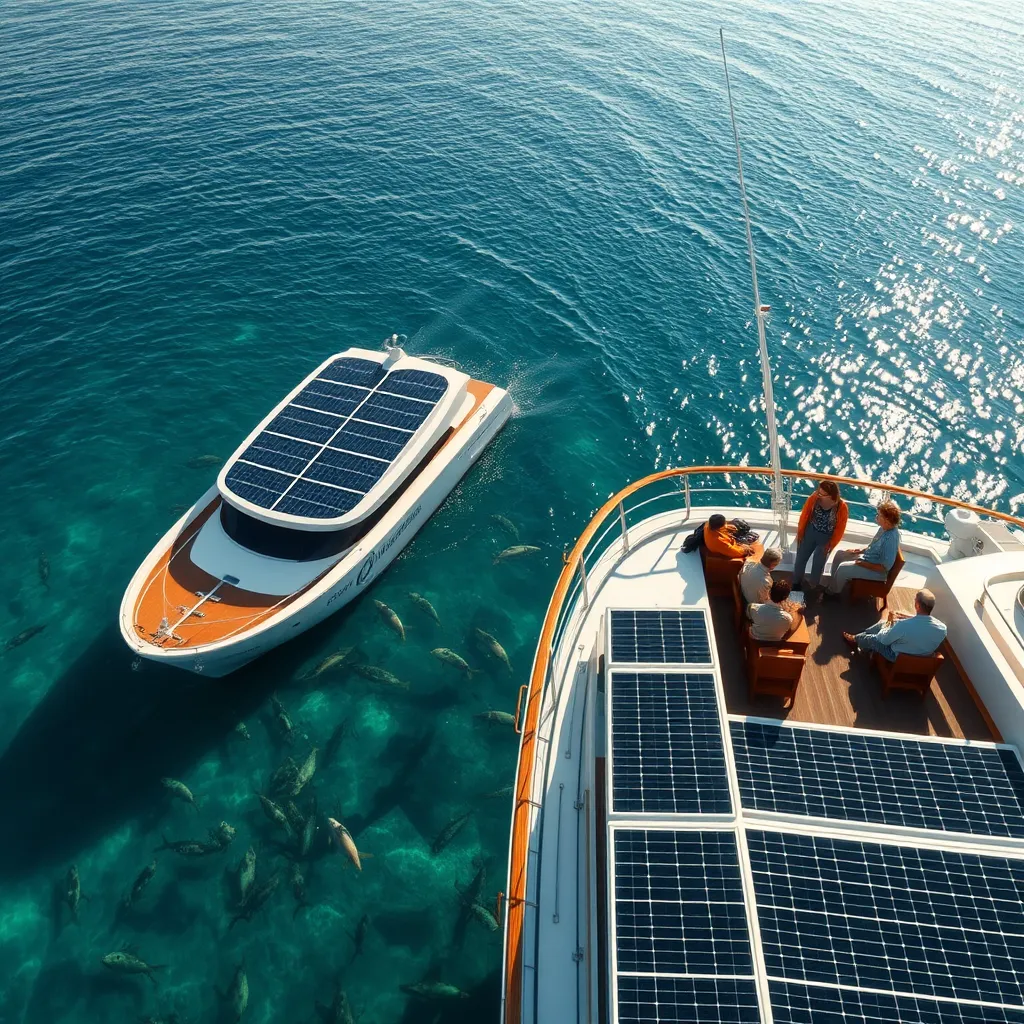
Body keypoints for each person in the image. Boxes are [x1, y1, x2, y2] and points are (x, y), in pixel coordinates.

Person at [843, 589, 946, 661]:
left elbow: (883, 639)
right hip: (921, 659)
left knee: (875, 637)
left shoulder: (903, 625)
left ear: (917, 605)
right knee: (885, 627)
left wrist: (890, 622)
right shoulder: (942, 628)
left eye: (915, 600)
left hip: (898, 657)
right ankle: (863, 637)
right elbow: (922, 623)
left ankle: (856, 639)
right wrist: (906, 617)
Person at [827, 500, 902, 596]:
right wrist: (859, 551)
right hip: (869, 559)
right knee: (839, 555)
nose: (876, 517)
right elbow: (874, 546)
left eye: (879, 515)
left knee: (842, 568)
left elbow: (884, 567)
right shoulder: (883, 528)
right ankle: (836, 583)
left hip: (876, 572)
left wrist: (863, 564)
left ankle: (834, 591)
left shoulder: (890, 539)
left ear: (887, 521)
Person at [793, 480, 848, 595]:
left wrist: (831, 543)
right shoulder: (814, 498)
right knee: (800, 559)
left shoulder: (841, 506)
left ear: (831, 495)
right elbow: (805, 515)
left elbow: (840, 528)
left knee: (818, 563)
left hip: (826, 537)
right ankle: (796, 583)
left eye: (822, 494)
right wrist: (801, 532)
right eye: (819, 491)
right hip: (810, 531)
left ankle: (813, 586)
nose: (818, 494)